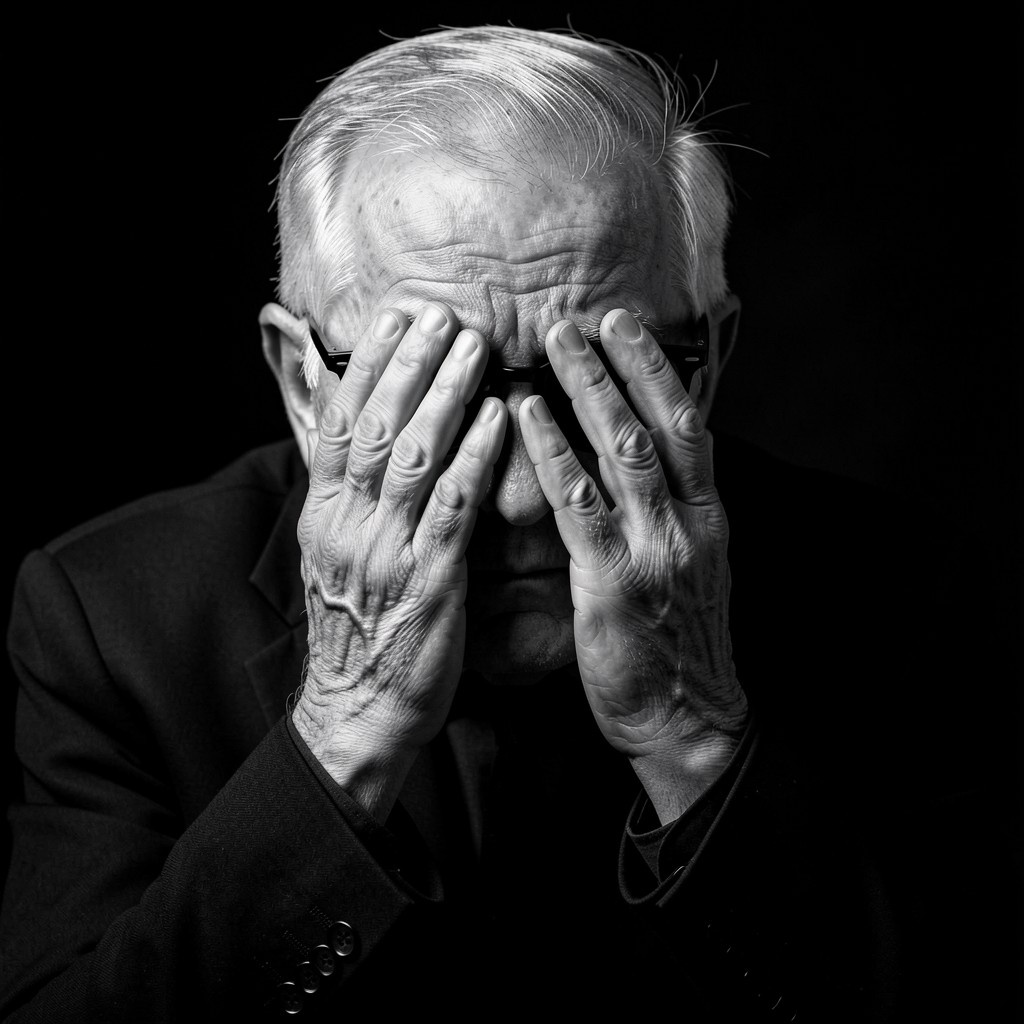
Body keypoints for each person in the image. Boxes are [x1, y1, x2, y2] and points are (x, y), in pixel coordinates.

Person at [0, 25, 1004, 1022]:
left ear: (702, 366)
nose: (523, 497)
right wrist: (344, 731)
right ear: (305, 387)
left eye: (589, 379)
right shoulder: (112, 622)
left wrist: (694, 736)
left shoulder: (910, 597)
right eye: (440, 386)